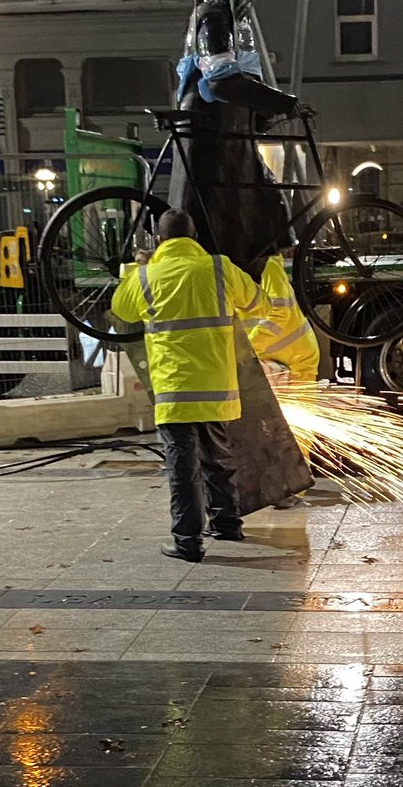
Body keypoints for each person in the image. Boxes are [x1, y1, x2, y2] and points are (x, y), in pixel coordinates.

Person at [111, 208, 270, 563]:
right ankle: (227, 523)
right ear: (194, 238)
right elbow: (260, 304)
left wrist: (137, 267)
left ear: (159, 240)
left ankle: (188, 542)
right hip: (217, 388)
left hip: (175, 392)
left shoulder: (147, 276)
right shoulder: (218, 267)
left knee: (182, 468)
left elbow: (121, 311)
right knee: (219, 459)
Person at [247, 252, 321, 384]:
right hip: (279, 358)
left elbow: (280, 312)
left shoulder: (268, 267)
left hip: (296, 360)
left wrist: (247, 347)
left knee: (301, 404)